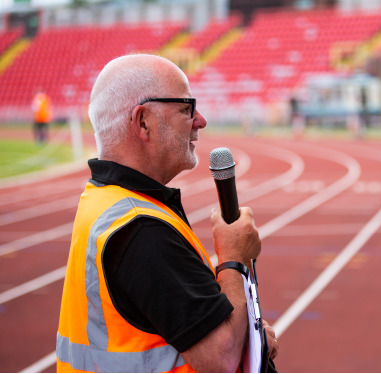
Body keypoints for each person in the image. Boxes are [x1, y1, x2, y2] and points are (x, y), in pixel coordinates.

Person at [56, 54, 279, 373]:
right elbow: (223, 359)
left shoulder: (104, 201)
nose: (200, 120)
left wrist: (247, 335)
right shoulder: (140, 230)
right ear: (143, 121)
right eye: (187, 108)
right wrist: (234, 257)